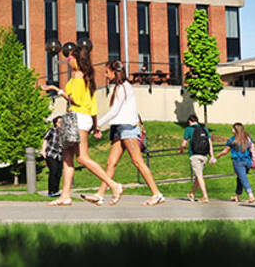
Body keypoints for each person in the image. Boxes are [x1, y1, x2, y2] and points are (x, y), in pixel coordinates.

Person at [41, 46, 124, 206]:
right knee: (67, 158)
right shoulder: (87, 77)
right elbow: (92, 106)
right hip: (82, 118)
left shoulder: (78, 77)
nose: (68, 60)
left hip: (76, 118)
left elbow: (75, 100)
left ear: (78, 60)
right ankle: (65, 195)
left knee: (82, 158)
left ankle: (114, 185)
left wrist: (58, 91)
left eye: (70, 58)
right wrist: (95, 125)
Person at [84, 60, 164, 206]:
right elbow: (117, 113)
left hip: (128, 129)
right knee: (111, 163)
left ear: (115, 72)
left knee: (138, 162)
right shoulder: (120, 87)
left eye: (107, 72)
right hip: (120, 129)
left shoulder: (124, 87)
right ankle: (100, 195)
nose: (105, 75)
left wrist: (97, 124)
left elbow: (114, 111)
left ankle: (157, 194)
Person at [178, 114, 216, 202]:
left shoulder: (188, 129)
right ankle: (192, 194)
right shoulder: (204, 129)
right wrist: (212, 156)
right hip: (204, 155)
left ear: (189, 121)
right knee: (198, 176)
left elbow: (184, 143)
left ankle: (205, 196)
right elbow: (209, 143)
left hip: (194, 155)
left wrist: (181, 150)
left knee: (199, 176)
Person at [214, 123, 255, 203]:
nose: (231, 130)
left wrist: (218, 156)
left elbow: (225, 151)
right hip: (248, 161)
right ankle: (237, 196)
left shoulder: (232, 140)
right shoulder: (248, 138)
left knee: (243, 178)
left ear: (236, 130)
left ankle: (251, 196)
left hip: (238, 161)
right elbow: (252, 148)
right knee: (240, 178)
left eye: (233, 128)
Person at [40, 116, 64, 198]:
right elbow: (45, 139)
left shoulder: (65, 132)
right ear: (56, 123)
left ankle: (56, 190)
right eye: (60, 122)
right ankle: (51, 191)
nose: (61, 124)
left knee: (58, 173)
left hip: (60, 155)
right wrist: (43, 150)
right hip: (51, 153)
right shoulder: (52, 130)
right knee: (53, 171)